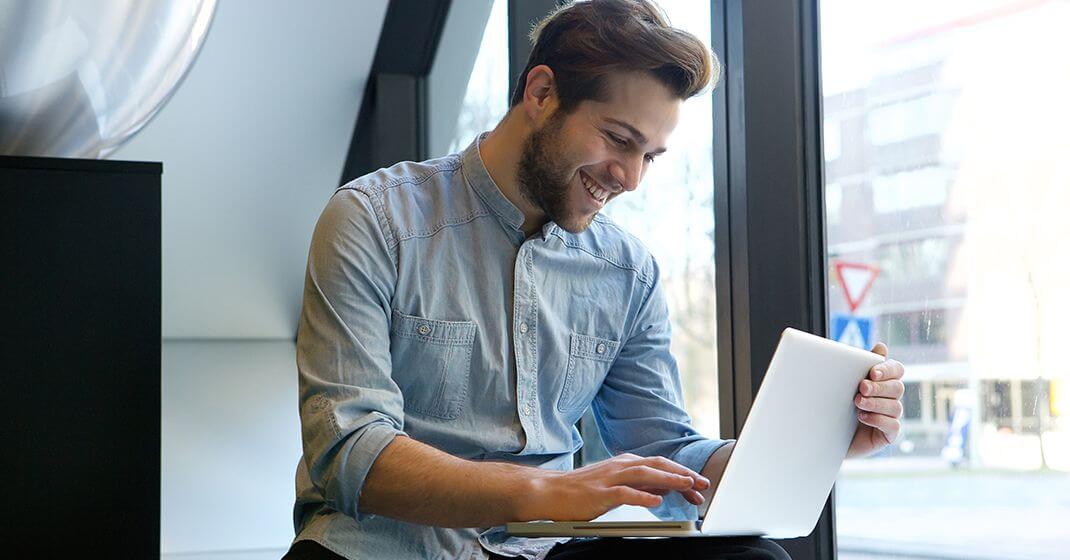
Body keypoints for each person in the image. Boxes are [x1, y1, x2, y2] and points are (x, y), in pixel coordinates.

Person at [283, 1, 906, 559]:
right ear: (542, 92)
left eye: (650, 156)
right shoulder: (374, 219)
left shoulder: (627, 271)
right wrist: (545, 490)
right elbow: (352, 453)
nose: (632, 178)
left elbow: (666, 449)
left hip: (541, 554)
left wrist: (820, 442)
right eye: (618, 139)